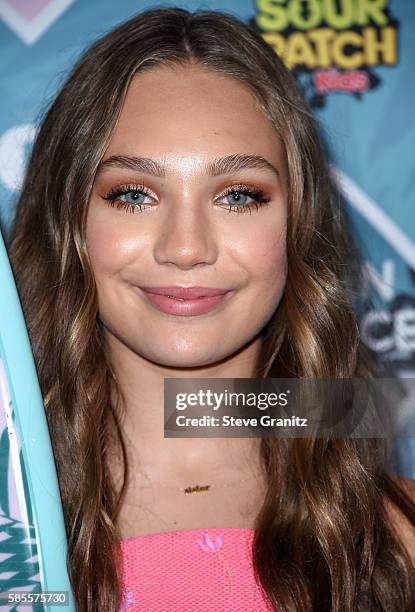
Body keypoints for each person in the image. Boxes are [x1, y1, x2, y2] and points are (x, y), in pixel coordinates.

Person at [7, 6, 415, 611]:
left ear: (298, 224)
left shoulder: (400, 538)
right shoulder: (14, 542)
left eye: (239, 195)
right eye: (133, 194)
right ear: (68, 222)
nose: (186, 248)